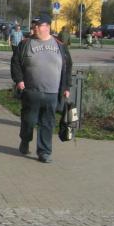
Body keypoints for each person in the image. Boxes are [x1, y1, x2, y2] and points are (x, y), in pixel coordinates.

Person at [10, 14, 72, 164]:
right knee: (29, 121)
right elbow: (15, 63)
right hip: (31, 92)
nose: (35, 28)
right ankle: (25, 140)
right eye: (34, 25)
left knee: (47, 123)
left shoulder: (60, 45)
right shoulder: (25, 44)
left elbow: (68, 66)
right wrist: (19, 80)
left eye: (38, 25)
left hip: (52, 93)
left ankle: (44, 152)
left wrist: (66, 86)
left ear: (47, 27)